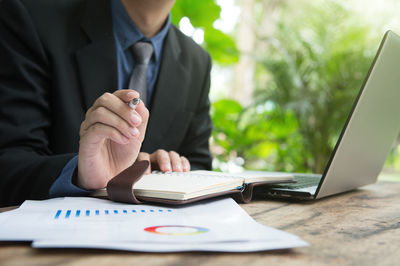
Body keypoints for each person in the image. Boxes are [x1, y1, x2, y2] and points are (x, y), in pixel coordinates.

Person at [0, 0, 213, 206]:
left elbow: (200, 165)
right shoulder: (32, 18)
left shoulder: (198, 61)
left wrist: (168, 170)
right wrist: (80, 174)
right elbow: (9, 161)